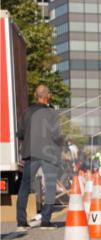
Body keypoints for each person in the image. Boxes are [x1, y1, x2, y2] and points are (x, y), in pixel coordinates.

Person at [16, 84, 64, 230]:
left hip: (31, 153)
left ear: (36, 96)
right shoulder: (52, 113)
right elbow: (56, 136)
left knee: (25, 186)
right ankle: (46, 221)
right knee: (49, 186)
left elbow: (21, 134)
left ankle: (21, 222)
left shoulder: (26, 112)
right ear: (47, 96)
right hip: (48, 153)